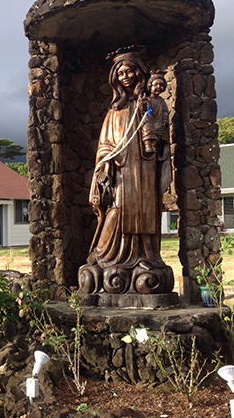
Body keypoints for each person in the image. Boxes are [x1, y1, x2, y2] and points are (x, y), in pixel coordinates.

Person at [79, 47, 173, 296]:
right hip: (122, 172)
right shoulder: (115, 110)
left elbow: (162, 136)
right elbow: (105, 145)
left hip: (145, 170)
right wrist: (106, 163)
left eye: (130, 71)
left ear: (139, 73)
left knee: (146, 211)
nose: (126, 76)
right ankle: (106, 257)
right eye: (120, 73)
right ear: (115, 78)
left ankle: (146, 259)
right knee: (116, 211)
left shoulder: (151, 104)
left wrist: (156, 139)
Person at [141, 71, 169, 155]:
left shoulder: (161, 101)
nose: (158, 87)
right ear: (150, 86)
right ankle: (147, 145)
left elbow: (164, 111)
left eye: (161, 85)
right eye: (155, 85)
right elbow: (143, 109)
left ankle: (154, 145)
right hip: (149, 120)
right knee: (147, 129)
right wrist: (142, 103)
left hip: (159, 120)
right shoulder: (148, 99)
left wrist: (165, 119)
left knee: (159, 131)